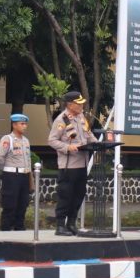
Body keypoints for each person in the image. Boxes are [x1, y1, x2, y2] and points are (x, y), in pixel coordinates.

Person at [48, 91, 98, 236]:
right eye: (79, 103)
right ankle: (60, 226)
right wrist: (67, 147)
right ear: (70, 105)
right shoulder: (61, 120)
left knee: (78, 195)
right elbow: (52, 140)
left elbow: (89, 135)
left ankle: (71, 223)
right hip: (68, 166)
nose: (82, 105)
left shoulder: (82, 117)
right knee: (66, 196)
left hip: (82, 164)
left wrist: (99, 144)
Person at [0, 113, 32, 231]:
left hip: (24, 175)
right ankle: (6, 230)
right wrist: (6, 170)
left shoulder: (25, 141)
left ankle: (20, 229)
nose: (25, 126)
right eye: (22, 124)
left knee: (23, 204)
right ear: (14, 125)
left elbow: (28, 161)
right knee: (10, 205)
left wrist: (31, 180)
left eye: (25, 124)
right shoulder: (7, 139)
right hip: (12, 176)